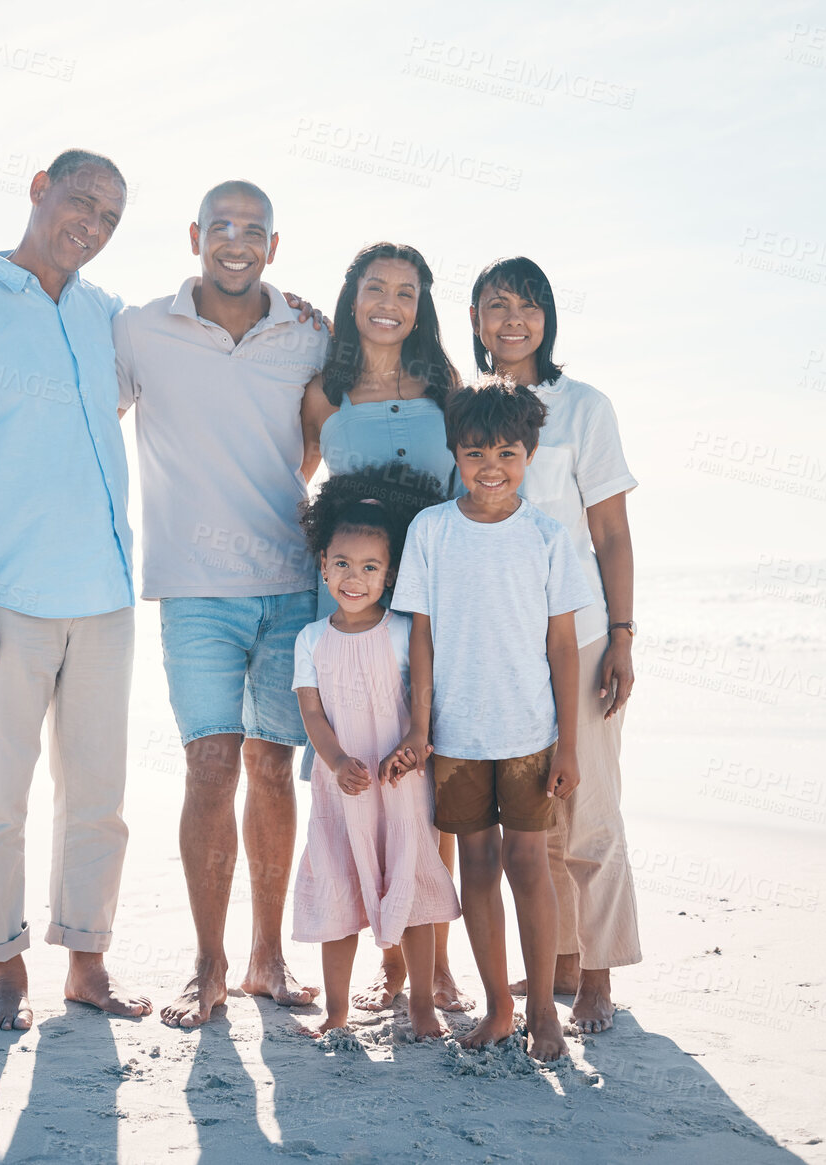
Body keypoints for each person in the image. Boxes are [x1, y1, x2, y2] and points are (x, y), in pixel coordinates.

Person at [0, 148, 150, 1031]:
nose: (93, 223)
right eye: (81, 200)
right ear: (39, 189)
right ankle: (2, 968)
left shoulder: (105, 318)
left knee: (99, 798)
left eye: (112, 216)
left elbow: (196, 341)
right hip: (3, 603)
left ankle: (87, 962)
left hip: (107, 599)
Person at [114, 180, 329, 1028]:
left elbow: (321, 434)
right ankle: (206, 965)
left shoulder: (306, 333)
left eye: (255, 231)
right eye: (223, 228)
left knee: (273, 768)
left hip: (289, 581)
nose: (237, 243)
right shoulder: (139, 329)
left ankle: (266, 958)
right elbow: (86, 411)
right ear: (195, 236)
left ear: (275, 246)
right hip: (195, 588)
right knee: (210, 766)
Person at [385, 380, 591, 1062]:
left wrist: (570, 741)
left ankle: (542, 1012)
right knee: (475, 861)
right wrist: (419, 725)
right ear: (456, 453)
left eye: (508, 450)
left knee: (528, 861)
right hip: (459, 733)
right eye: (476, 451)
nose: (491, 465)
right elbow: (421, 636)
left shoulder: (547, 536)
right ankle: (499, 1003)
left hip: (531, 734)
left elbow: (562, 645)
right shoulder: (432, 531)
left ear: (530, 454)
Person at [298, 242, 471, 1017]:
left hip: (431, 605)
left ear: (421, 303)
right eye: (375, 287)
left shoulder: (445, 385)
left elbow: (475, 486)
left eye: (406, 290)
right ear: (352, 296)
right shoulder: (323, 393)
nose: (390, 302)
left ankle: (435, 968)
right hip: (351, 607)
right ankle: (392, 966)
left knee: (424, 787)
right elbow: (294, 485)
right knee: (364, 785)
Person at [469, 256, 641, 1036]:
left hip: (584, 636)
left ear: (547, 318)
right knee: (533, 817)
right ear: (473, 320)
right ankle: (562, 961)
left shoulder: (584, 408)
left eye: (528, 305)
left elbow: (609, 531)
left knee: (591, 805)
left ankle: (599, 976)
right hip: (504, 647)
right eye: (497, 305)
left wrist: (625, 636)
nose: (513, 319)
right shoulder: (466, 411)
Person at [289, 465, 460, 1040]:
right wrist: (336, 763)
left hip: (399, 785)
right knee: (337, 889)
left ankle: (420, 1007)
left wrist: (414, 746)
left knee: (409, 894)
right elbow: (312, 712)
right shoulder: (311, 639)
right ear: (323, 566)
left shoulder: (402, 629)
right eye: (341, 564)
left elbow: (422, 699)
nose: (353, 577)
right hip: (341, 790)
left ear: (389, 576)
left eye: (369, 567)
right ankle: (336, 1014)